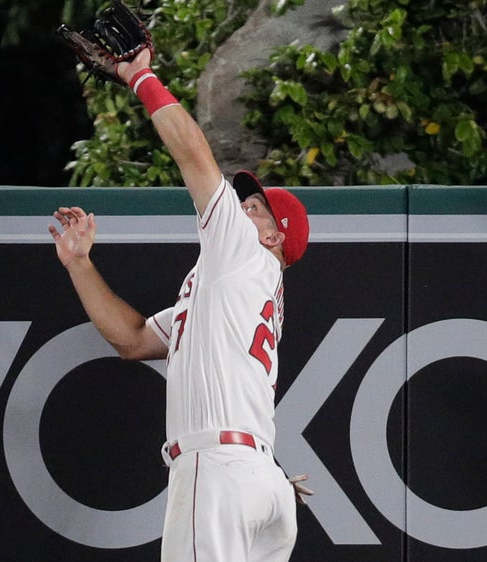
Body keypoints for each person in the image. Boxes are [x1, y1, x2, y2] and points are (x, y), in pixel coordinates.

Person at [48, 47, 312, 562]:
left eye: (255, 207)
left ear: (275, 237)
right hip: (262, 480)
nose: (241, 207)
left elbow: (194, 156)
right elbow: (132, 340)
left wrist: (141, 77)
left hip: (218, 470)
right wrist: (80, 264)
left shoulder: (244, 250)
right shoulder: (228, 291)